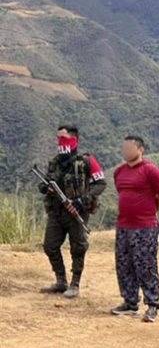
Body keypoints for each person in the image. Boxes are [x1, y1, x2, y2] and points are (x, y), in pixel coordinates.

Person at [39, 125, 106, 299]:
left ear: (74, 139)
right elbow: (47, 181)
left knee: (78, 247)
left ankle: (75, 283)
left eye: (64, 138)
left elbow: (100, 183)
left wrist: (82, 200)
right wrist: (45, 188)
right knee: (50, 246)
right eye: (58, 138)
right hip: (56, 211)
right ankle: (61, 280)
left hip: (77, 211)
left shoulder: (86, 161)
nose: (60, 142)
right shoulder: (55, 162)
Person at [110, 136, 159, 322]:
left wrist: (150, 211)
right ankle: (130, 302)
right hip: (123, 226)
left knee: (145, 264)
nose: (126, 151)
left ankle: (152, 304)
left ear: (141, 150)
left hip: (145, 226)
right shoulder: (119, 172)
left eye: (130, 147)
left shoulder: (150, 170)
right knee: (124, 264)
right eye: (124, 147)